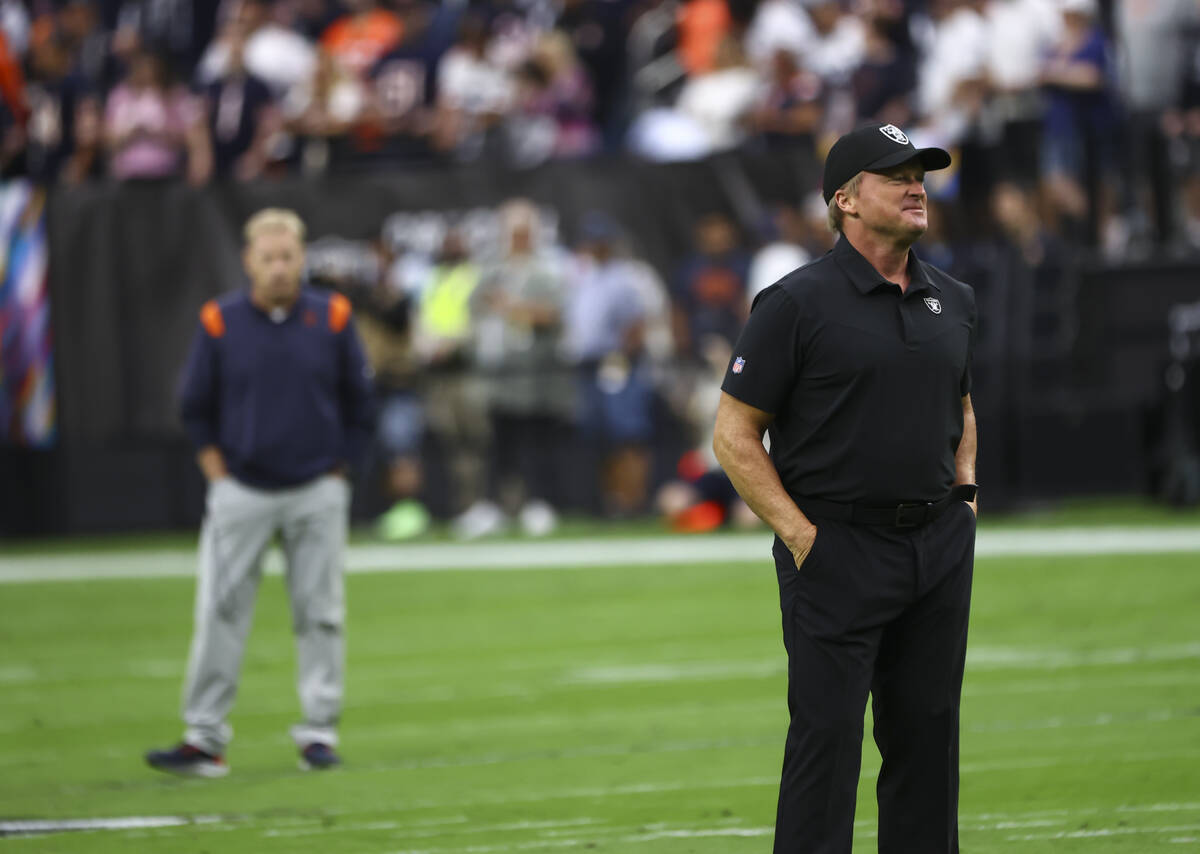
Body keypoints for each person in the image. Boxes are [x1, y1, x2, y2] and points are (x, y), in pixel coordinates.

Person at [712, 122, 979, 852]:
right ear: (846, 201)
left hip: (937, 544)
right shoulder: (794, 303)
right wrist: (802, 538)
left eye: (919, 174)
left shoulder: (951, 298)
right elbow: (734, 436)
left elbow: (959, 403)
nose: (915, 186)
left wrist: (964, 498)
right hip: (836, 546)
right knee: (826, 747)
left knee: (928, 741)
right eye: (895, 175)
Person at [145, 208, 374, 777]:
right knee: (219, 612)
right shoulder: (220, 320)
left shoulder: (335, 317)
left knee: (321, 613)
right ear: (248, 261)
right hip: (241, 488)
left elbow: (361, 403)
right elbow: (194, 406)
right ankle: (204, 737)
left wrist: (339, 470)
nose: (277, 268)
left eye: (287, 257)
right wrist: (217, 472)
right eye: (267, 257)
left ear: (302, 260)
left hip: (315, 486)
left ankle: (318, 732)